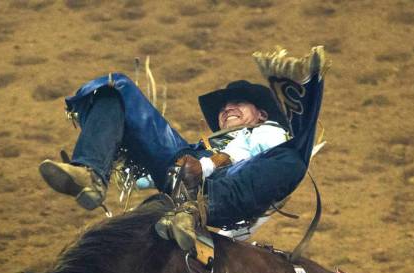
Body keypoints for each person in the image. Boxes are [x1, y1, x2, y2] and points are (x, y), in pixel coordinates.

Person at [39, 74, 307, 245]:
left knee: (292, 159)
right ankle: (91, 171)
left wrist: (206, 166)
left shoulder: (270, 132)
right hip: (187, 171)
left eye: (238, 102)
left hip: (227, 185)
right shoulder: (203, 144)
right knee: (114, 89)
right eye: (224, 107)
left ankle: (194, 211)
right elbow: (168, 169)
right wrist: (143, 170)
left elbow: (246, 159)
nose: (227, 108)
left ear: (261, 114)